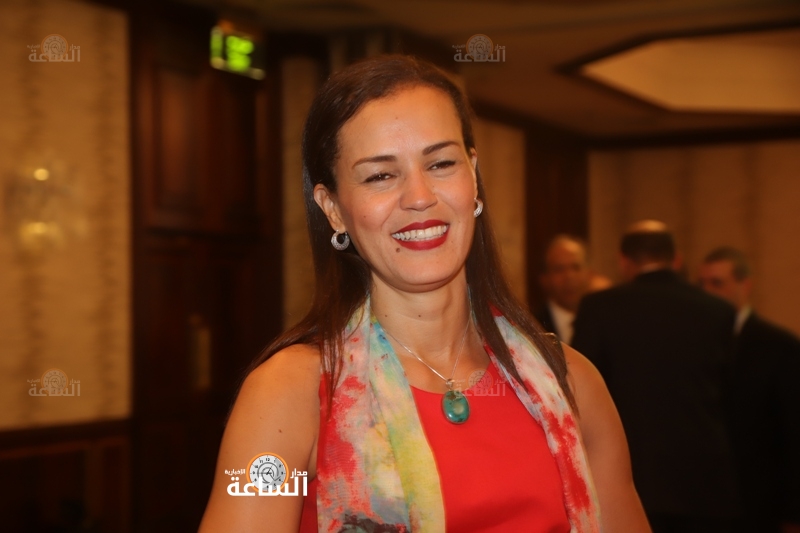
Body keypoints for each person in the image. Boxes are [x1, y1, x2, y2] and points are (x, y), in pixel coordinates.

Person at [199, 55, 650, 532]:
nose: (419, 196)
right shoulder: (287, 393)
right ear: (332, 208)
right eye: (380, 175)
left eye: (440, 163)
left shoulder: (571, 381)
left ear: (472, 175)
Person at [571, 220, 739, 533]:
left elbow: (578, 391)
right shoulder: (718, 311)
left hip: (631, 473)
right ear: (676, 259)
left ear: (624, 261)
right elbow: (732, 396)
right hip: (703, 478)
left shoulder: (599, 308)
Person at [699, 247, 800, 533]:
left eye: (717, 283)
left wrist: (794, 512)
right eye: (701, 284)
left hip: (761, 503)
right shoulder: (694, 344)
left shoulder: (779, 346)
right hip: (707, 505)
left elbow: (794, 432)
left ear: (745, 286)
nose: (706, 292)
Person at [535, 235, 593, 344]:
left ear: (589, 273)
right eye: (559, 269)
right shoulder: (534, 326)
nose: (569, 276)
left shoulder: (605, 322)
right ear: (544, 278)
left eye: (576, 267)